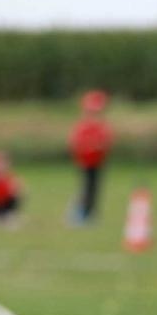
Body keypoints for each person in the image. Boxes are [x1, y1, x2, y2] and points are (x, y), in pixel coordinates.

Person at [69, 90, 113, 224]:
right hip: (85, 163)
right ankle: (80, 214)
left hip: (98, 162)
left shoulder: (101, 127)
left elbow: (106, 142)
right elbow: (76, 143)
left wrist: (98, 147)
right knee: (85, 189)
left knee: (95, 189)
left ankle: (91, 213)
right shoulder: (82, 127)